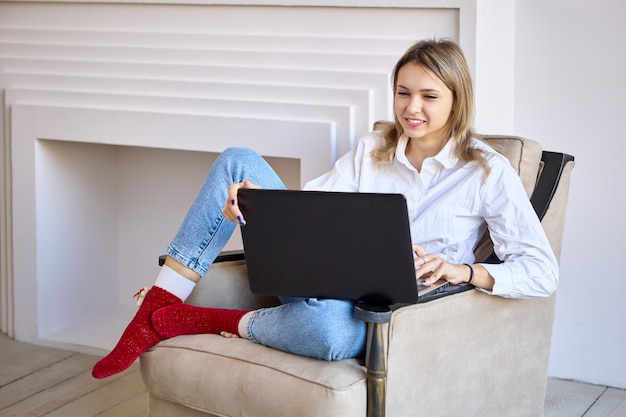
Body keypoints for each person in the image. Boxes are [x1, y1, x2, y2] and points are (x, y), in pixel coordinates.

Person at [92, 38, 558, 379]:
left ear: (456, 102)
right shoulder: (372, 149)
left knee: (332, 335)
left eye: (429, 96)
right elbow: (309, 209)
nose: (411, 108)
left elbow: (542, 271)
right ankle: (153, 310)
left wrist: (464, 271)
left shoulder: (487, 171)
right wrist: (256, 203)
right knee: (238, 161)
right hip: (321, 274)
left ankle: (203, 319)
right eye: (403, 92)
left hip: (383, 312)